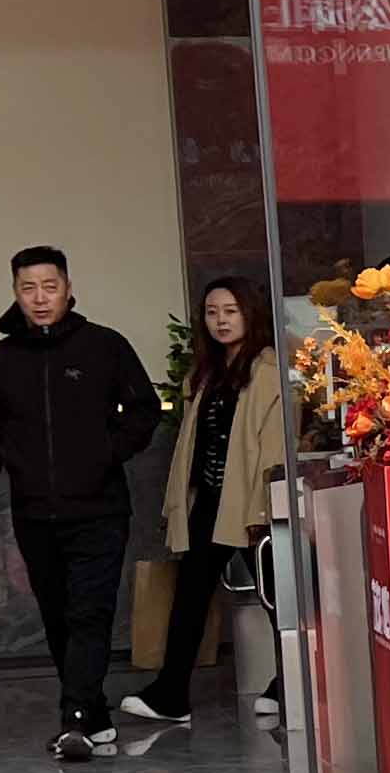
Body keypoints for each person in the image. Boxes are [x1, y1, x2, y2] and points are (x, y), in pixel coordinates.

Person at [0, 246, 161, 761]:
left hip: (100, 508)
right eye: (28, 288)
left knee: (90, 612)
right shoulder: (0, 361)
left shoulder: (104, 346)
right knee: (58, 617)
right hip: (35, 513)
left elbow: (144, 409)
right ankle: (94, 716)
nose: (40, 298)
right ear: (15, 293)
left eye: (50, 287)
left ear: (69, 289)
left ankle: (73, 720)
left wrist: (106, 452)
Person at [117, 275, 290, 733]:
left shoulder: (268, 371)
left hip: (250, 504)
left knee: (278, 597)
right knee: (191, 595)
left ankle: (293, 682)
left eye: (231, 311)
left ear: (250, 314)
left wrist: (263, 509)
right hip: (209, 500)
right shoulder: (208, 371)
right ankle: (171, 692)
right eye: (212, 312)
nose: (221, 321)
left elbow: (272, 449)